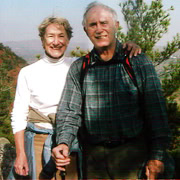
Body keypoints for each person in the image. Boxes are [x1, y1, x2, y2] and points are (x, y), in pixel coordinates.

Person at [8, 15, 141, 180]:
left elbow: (108, 55)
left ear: (68, 40)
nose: (56, 42)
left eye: (61, 36)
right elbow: (19, 115)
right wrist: (21, 154)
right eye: (50, 36)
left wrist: (127, 48)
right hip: (39, 139)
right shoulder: (28, 73)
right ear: (42, 40)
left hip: (73, 139)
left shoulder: (79, 66)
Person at [52, 2, 175, 179]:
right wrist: (64, 142)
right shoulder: (80, 68)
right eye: (93, 25)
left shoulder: (137, 62)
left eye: (104, 23)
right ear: (86, 30)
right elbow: (70, 112)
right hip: (94, 160)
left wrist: (157, 156)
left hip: (133, 158)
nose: (99, 29)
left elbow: (156, 112)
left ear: (116, 26)